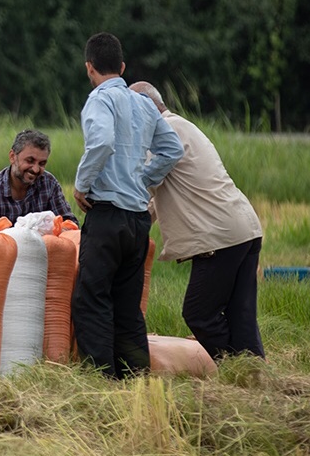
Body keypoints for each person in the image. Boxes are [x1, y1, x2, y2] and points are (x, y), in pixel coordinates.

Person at [72, 32, 183, 379]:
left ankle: (102, 378)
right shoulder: (144, 103)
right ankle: (135, 377)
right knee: (128, 306)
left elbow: (102, 141)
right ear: (122, 66)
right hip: (137, 221)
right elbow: (172, 150)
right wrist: (142, 178)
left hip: (106, 216)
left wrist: (81, 184)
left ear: (89, 68)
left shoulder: (98, 101)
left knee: (92, 299)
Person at [129, 81, 265, 361]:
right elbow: (159, 196)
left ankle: (230, 365)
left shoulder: (160, 133)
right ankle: (252, 372)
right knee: (241, 313)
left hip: (218, 235)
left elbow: (143, 187)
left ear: (145, 108)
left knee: (198, 313)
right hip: (244, 227)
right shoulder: (184, 126)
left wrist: (122, 221)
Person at [0, 129, 78, 227]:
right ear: (12, 157)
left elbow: (69, 223)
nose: (36, 169)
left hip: (44, 246)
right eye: (30, 161)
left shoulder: (49, 183)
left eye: (42, 163)